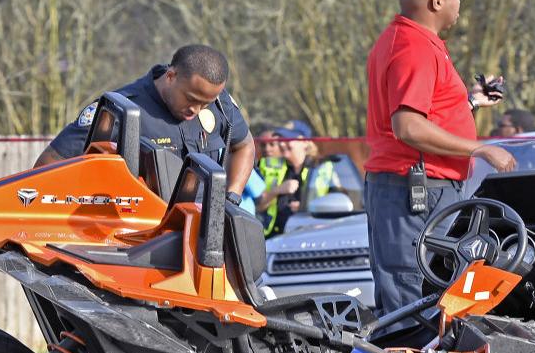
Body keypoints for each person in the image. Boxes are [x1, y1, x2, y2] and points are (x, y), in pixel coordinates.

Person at [363, 0, 515, 328]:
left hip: (421, 188)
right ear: (437, 2)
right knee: (409, 295)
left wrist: (469, 103)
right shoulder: (413, 47)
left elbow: (427, 114)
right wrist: (480, 148)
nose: (460, 3)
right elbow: (408, 126)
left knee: (425, 290)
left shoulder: (411, 40)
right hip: (414, 190)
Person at [35, 44, 257, 198]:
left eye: (205, 104)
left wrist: (231, 198)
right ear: (170, 76)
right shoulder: (119, 110)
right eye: (191, 99)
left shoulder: (220, 104)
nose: (196, 110)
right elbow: (46, 169)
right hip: (139, 245)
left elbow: (244, 145)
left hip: (203, 241)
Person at [255, 121, 342, 236]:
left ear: (305, 142)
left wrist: (304, 208)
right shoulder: (268, 165)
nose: (282, 144)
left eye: (288, 139)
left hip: (312, 235)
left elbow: (338, 209)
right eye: (281, 139)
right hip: (272, 237)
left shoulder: (324, 168)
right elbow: (258, 206)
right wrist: (278, 190)